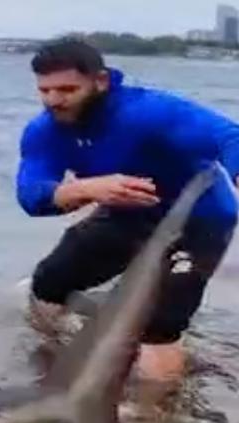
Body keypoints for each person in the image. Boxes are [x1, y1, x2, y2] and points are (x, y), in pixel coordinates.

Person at [16, 38, 239, 387]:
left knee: (160, 324)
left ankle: (154, 418)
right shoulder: (44, 132)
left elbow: (228, 136)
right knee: (48, 283)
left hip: (198, 220)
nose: (53, 100)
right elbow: (31, 196)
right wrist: (87, 189)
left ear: (101, 81)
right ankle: (57, 366)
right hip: (126, 216)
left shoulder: (149, 113)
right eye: (44, 90)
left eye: (66, 89)